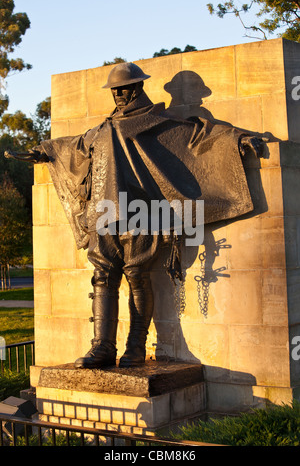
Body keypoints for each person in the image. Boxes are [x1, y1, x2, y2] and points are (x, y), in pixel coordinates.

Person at [4, 62, 265, 369]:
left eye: (124, 88)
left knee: (137, 275)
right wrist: (44, 150)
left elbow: (199, 136)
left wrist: (239, 139)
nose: (119, 94)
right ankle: (101, 346)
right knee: (102, 276)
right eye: (115, 90)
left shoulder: (159, 120)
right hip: (102, 212)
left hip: (140, 210)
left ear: (139, 87)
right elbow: (74, 146)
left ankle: (136, 346)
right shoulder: (103, 128)